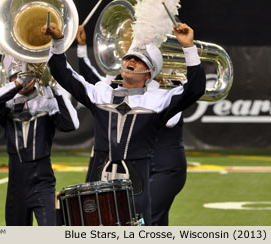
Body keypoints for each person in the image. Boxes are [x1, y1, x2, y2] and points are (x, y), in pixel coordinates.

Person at [42, 22, 206, 225]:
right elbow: (62, 73)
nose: (131, 61)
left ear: (149, 73)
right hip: (98, 179)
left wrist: (188, 47)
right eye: (129, 57)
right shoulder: (101, 92)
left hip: (136, 185)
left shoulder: (157, 101)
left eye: (139, 61)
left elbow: (195, 88)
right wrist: (58, 41)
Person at [76, 25, 187, 225]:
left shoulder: (163, 95)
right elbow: (94, 82)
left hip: (166, 169)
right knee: (150, 221)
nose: (132, 61)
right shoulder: (138, 92)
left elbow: (171, 120)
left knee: (147, 218)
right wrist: (82, 49)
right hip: (140, 167)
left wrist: (163, 83)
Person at [0, 55, 79, 226]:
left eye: (26, 75)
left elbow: (72, 124)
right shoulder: (6, 104)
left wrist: (54, 87)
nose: (22, 80)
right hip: (16, 185)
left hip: (42, 182)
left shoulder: (46, 102)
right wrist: (18, 81)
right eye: (16, 76)